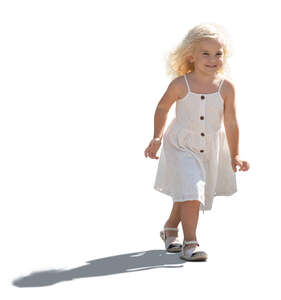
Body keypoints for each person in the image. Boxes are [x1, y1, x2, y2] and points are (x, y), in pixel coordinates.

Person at [144, 23, 250, 261]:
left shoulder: (226, 88)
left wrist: (235, 154)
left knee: (187, 193)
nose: (213, 59)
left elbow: (231, 122)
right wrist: (156, 137)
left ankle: (170, 229)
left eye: (218, 54)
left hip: (210, 148)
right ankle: (190, 243)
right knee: (192, 192)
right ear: (191, 56)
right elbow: (162, 108)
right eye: (206, 53)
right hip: (181, 145)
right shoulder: (181, 84)